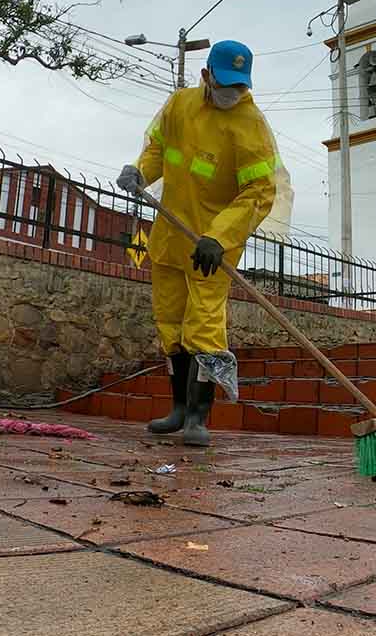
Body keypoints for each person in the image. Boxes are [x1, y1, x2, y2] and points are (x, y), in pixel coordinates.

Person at [117, 40, 277, 446]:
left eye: (240, 87)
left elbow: (259, 192)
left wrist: (219, 236)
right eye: (226, 85)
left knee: (204, 326)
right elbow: (158, 149)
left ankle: (198, 417)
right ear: (206, 76)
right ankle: (177, 409)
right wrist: (139, 172)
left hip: (212, 247)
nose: (233, 93)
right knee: (169, 322)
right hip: (170, 238)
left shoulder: (251, 125)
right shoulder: (179, 105)